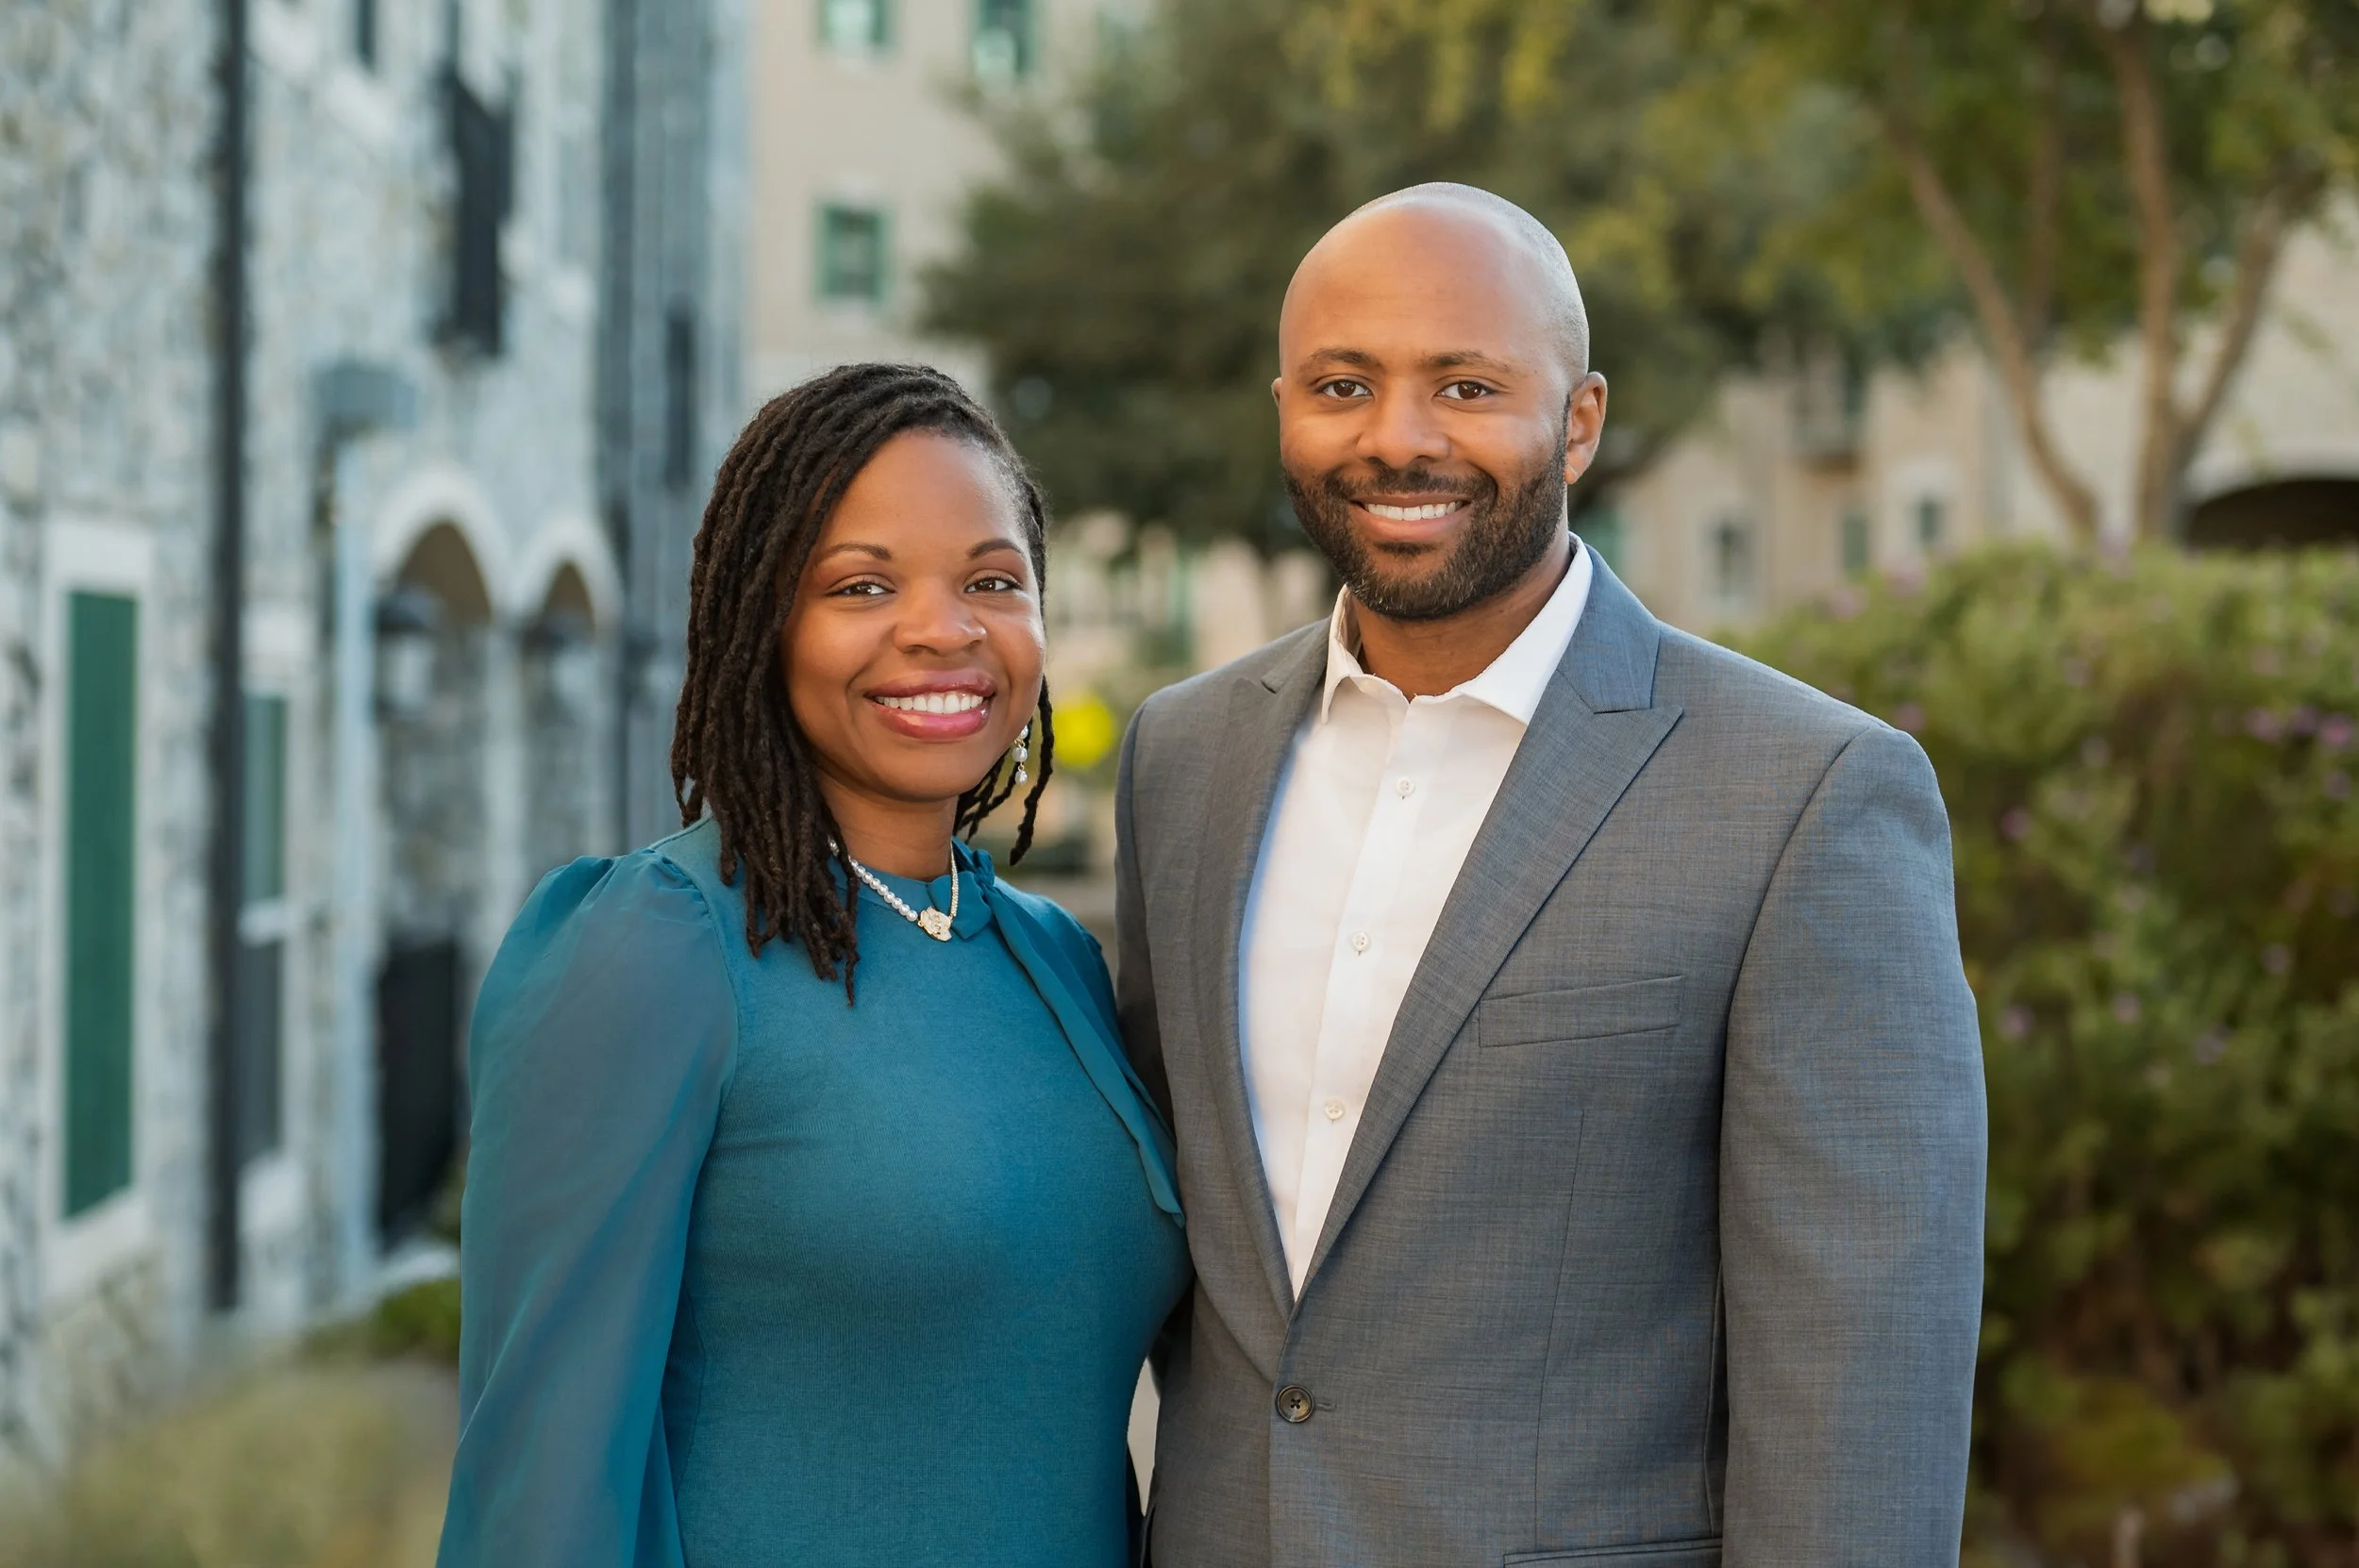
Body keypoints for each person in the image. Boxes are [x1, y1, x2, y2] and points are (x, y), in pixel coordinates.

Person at [1115, 184, 1987, 1566]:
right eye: (1344, 385)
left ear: (1579, 417)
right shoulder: (1183, 757)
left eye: (1465, 384)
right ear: (1283, 401)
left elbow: (1863, 1376)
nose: (1398, 437)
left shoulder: (1806, 794)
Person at [436, 362, 1188, 1567]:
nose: (944, 629)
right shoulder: (657, 944)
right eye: (861, 584)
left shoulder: (1051, 959)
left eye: (993, 580)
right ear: (761, 623)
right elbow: (543, 1486)